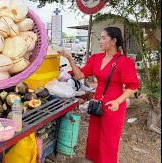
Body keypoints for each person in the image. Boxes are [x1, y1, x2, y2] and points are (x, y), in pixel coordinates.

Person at [58, 27, 139, 163]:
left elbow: (133, 87)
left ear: (113, 41)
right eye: (100, 38)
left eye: (103, 38)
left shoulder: (124, 61)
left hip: (114, 105)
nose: (100, 41)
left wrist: (118, 102)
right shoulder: (96, 58)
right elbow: (80, 75)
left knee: (108, 142)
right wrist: (70, 59)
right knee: (94, 139)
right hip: (98, 103)